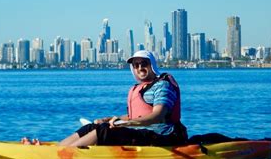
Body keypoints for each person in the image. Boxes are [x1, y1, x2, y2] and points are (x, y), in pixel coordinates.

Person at [58, 50, 187, 147]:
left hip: (163, 136)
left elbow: (158, 116)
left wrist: (124, 124)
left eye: (144, 64)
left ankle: (67, 154)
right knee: (92, 127)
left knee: (104, 131)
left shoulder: (163, 85)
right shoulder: (138, 88)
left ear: (152, 65)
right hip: (142, 132)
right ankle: (58, 149)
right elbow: (135, 116)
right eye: (136, 65)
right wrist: (107, 119)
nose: (140, 68)